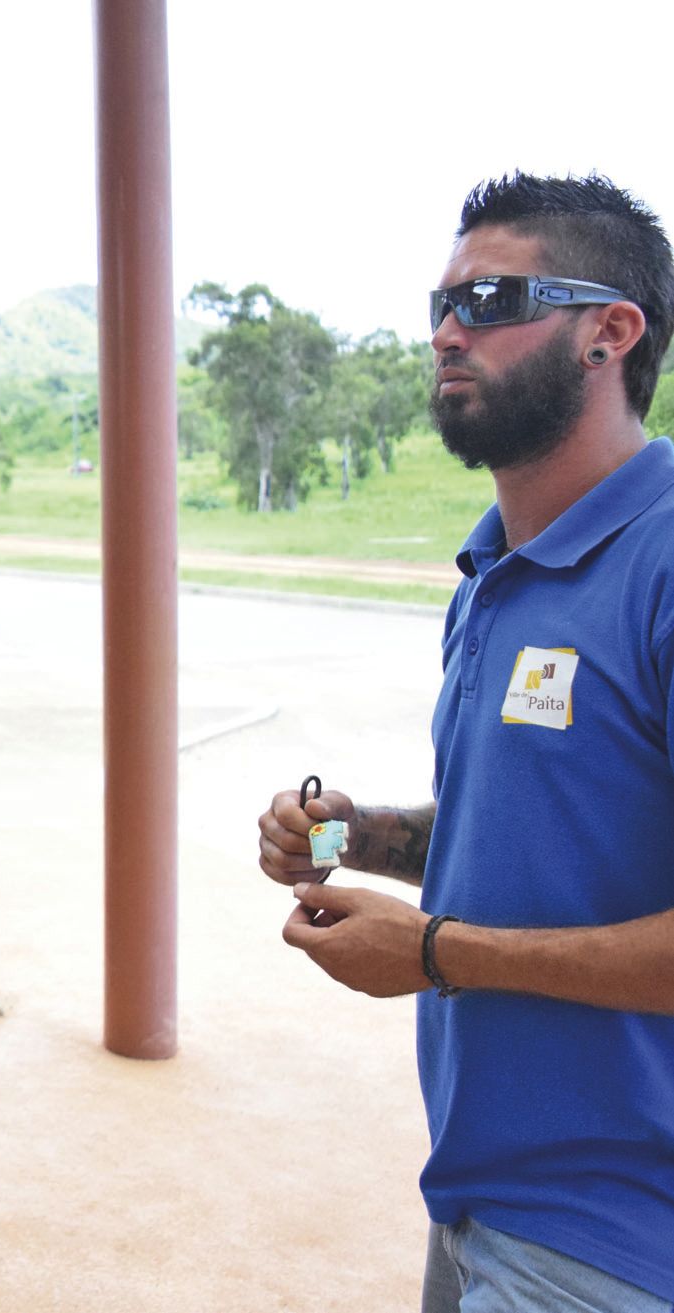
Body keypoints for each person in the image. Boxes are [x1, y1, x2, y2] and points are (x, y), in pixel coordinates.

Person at [258, 173, 674, 1311]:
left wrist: (435, 951)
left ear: (610, 332)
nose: (447, 331)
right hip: (479, 1200)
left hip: (619, 1235)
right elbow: (544, 823)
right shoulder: (494, 571)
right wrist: (357, 832)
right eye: (437, 303)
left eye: (490, 298)